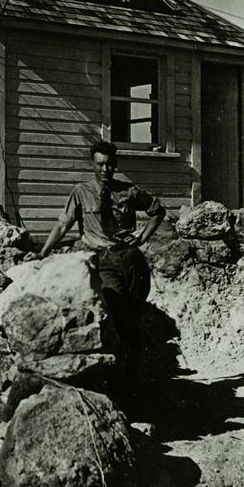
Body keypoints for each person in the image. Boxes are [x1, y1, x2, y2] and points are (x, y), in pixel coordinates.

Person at [38, 140, 165, 365]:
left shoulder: (128, 191)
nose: (105, 170)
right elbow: (62, 225)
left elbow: (157, 210)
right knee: (117, 314)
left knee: (134, 314)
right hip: (103, 261)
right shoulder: (81, 192)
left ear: (115, 164)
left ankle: (133, 375)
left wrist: (143, 237)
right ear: (93, 164)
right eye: (100, 164)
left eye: (109, 165)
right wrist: (43, 252)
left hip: (131, 260)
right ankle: (120, 374)